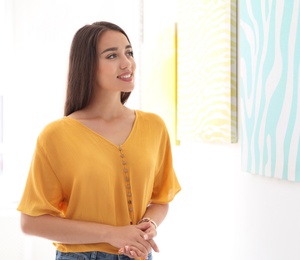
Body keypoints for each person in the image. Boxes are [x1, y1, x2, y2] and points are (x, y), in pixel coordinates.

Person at [17, 21, 181, 260]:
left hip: (139, 254)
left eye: (129, 52)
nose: (127, 63)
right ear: (87, 66)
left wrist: (148, 224)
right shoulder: (56, 135)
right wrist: (111, 234)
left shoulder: (154, 126)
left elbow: (161, 199)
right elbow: (31, 222)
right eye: (112, 55)